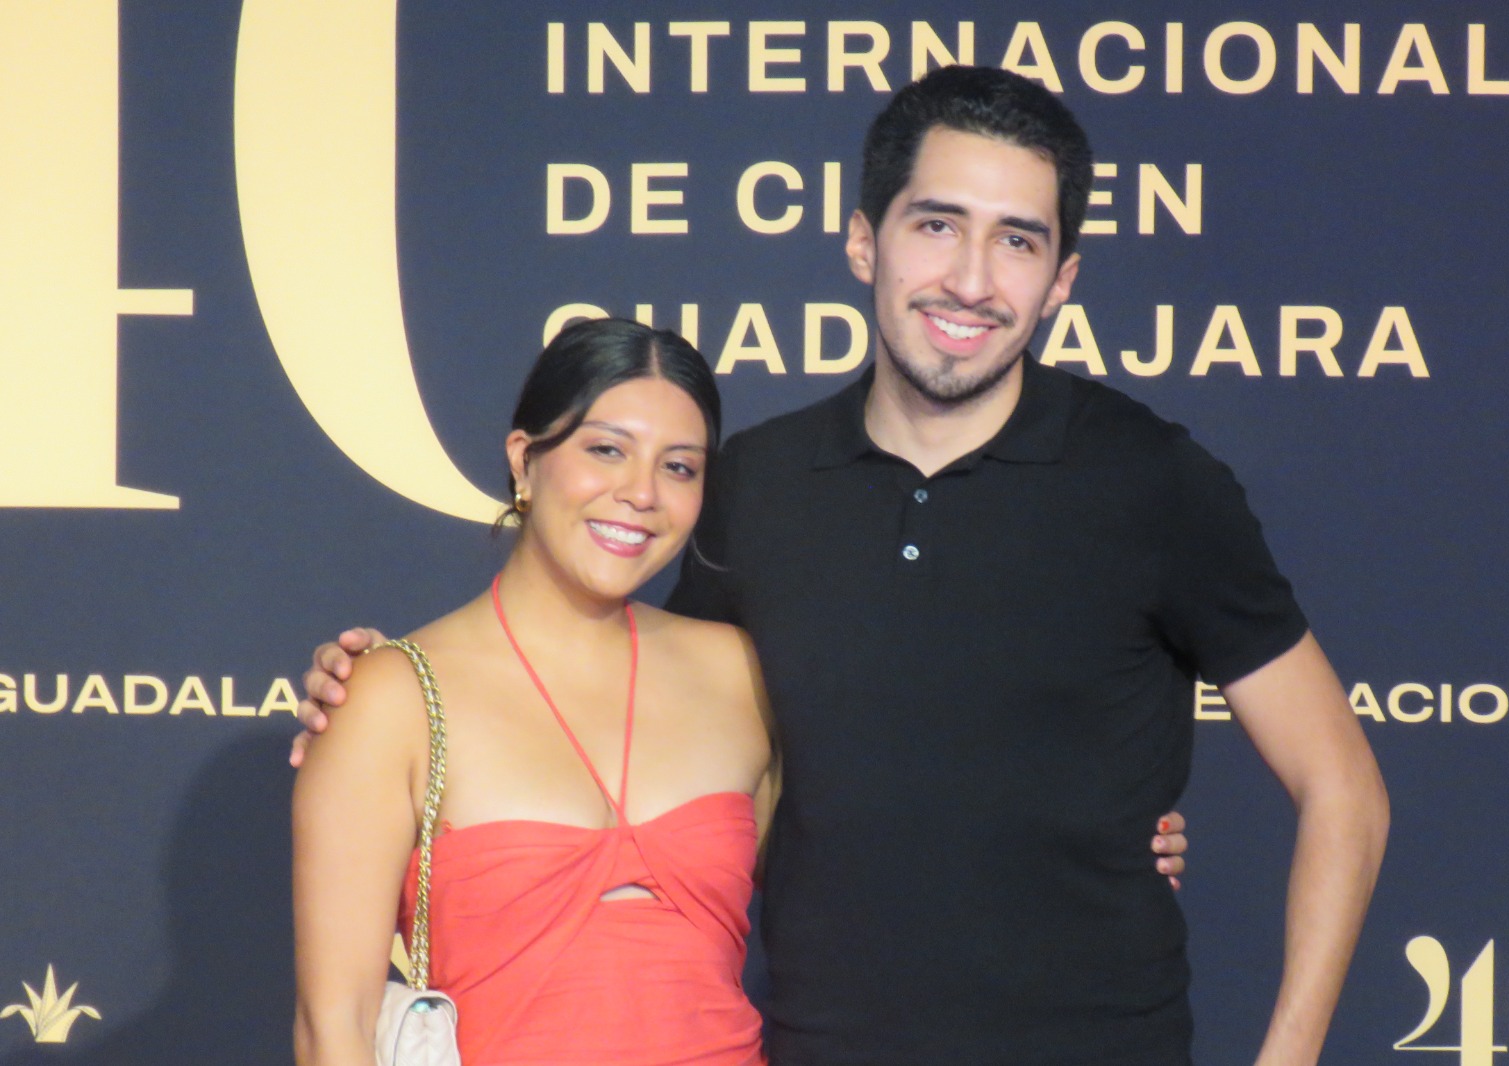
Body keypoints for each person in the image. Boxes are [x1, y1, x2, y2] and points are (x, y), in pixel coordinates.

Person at [301, 65, 1379, 1065]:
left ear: (1062, 280)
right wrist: (383, 705)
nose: (969, 278)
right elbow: (638, 716)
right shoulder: (755, 485)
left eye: (1016, 241)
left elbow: (1341, 788)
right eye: (937, 224)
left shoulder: (1155, 481)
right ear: (864, 241)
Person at [292, 319, 777, 1065]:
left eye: (679, 467)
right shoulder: (393, 699)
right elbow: (337, 1030)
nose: (640, 493)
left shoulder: (739, 675)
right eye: (606, 450)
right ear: (526, 460)